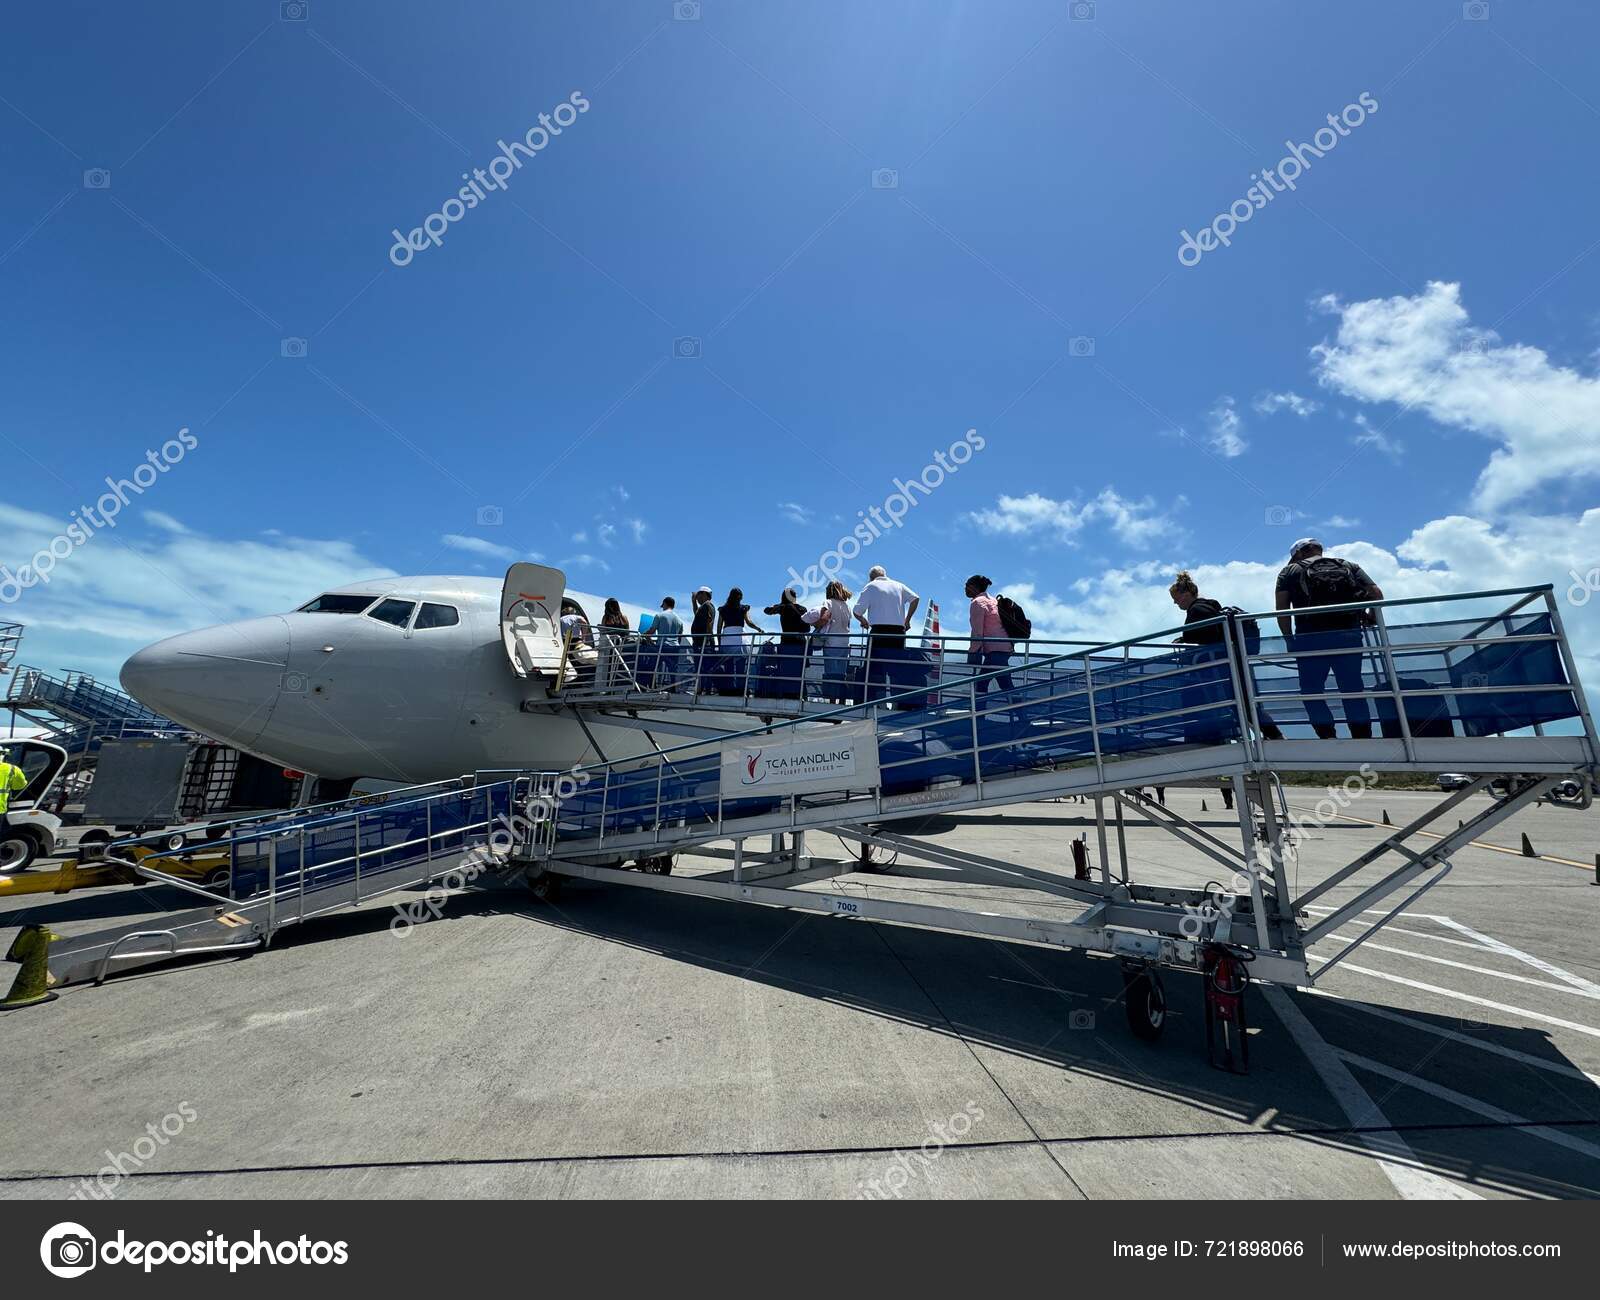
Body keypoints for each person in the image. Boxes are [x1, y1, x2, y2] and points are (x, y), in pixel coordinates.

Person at [1274, 539, 1383, 740]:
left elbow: (1282, 611)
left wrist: (1289, 640)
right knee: (1352, 687)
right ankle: (1362, 738)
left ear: (1298, 554)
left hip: (1310, 638)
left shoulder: (1289, 572)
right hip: (1349, 635)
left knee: (1311, 690)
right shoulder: (1348, 566)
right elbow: (1376, 593)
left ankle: (1328, 736)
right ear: (1319, 550)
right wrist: (1371, 617)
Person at [1169, 571, 1285, 741]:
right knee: (1244, 704)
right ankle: (1273, 736)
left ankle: (1275, 736)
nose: (1175, 602)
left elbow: (1208, 637)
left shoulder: (1198, 610)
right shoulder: (1209, 607)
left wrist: (1186, 641)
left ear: (1186, 595)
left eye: (1176, 597)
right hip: (1233, 664)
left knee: (1241, 704)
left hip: (1221, 668)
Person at [853, 566, 919, 704]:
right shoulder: (898, 585)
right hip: (898, 633)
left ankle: (878, 702)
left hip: (879, 632)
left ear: (871, 577)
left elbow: (857, 611)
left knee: (875, 669)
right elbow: (915, 598)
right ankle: (898, 703)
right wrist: (907, 620)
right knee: (896, 669)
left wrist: (863, 621)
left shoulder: (871, 586)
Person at [802, 580, 854, 703]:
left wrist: (815, 625)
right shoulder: (847, 606)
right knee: (841, 673)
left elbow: (824, 618)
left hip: (832, 642)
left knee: (831, 672)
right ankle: (841, 700)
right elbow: (848, 624)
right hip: (844, 642)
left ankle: (832, 700)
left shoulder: (828, 602)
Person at [964, 575, 1014, 698]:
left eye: (967, 586)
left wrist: (972, 652)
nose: (965, 588)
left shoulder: (977, 603)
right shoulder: (993, 601)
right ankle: (1020, 713)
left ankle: (979, 716)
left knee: (981, 684)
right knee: (1006, 685)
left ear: (975, 587)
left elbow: (977, 632)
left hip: (995, 651)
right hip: (1004, 648)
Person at [762, 588, 810, 699]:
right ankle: (802, 696)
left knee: (785, 671)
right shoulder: (803, 609)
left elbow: (766, 610)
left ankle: (788, 696)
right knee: (799, 672)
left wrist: (776, 605)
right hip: (801, 643)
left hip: (787, 643)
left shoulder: (783, 608)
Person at [716, 588, 763, 695]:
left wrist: (719, 640)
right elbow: (749, 622)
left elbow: (719, 627)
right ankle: (741, 689)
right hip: (740, 637)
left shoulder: (723, 609)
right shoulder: (743, 608)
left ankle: (728, 689)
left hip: (727, 637)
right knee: (741, 665)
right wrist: (758, 629)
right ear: (740, 597)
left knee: (728, 666)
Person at [644, 596, 685, 689]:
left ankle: (652, 687)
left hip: (662, 646)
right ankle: (673, 688)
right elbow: (679, 637)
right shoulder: (679, 620)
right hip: (675, 647)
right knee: (672, 669)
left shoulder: (659, 615)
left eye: (662, 605)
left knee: (652, 667)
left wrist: (643, 635)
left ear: (665, 604)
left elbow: (652, 631)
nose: (662, 607)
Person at [689, 585, 715, 692]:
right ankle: (702, 689)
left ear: (704, 594)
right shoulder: (705, 606)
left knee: (702, 667)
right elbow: (697, 614)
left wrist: (709, 638)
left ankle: (702, 690)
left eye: (699, 594)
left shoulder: (706, 606)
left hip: (702, 643)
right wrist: (693, 602)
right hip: (702, 642)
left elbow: (708, 622)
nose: (697, 597)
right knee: (703, 667)